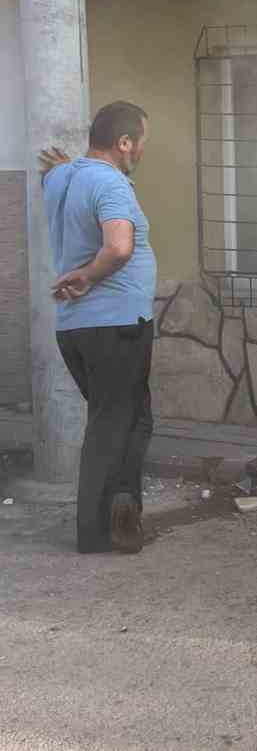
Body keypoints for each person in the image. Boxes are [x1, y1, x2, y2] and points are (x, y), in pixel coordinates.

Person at [40, 101, 156, 555]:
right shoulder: (110, 183)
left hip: (75, 328)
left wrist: (67, 167)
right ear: (124, 143)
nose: (142, 151)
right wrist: (87, 275)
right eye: (141, 142)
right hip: (116, 323)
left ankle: (123, 508)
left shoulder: (63, 179)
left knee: (130, 416)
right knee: (114, 421)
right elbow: (119, 246)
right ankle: (95, 528)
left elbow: (64, 179)